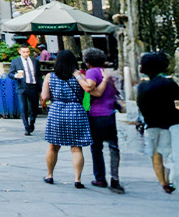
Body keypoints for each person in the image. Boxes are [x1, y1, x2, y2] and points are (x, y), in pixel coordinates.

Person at [41, 47, 93, 187]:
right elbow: (87, 91)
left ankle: (50, 175)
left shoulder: (49, 77)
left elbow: (45, 97)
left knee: (53, 146)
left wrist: (46, 101)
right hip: (76, 111)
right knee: (76, 148)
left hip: (57, 110)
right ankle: (77, 179)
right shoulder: (79, 76)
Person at [131, 50, 177, 194]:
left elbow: (140, 105)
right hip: (170, 124)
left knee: (155, 154)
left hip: (151, 125)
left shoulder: (142, 86)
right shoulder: (169, 84)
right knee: (169, 153)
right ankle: (170, 179)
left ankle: (163, 182)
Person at [82, 47, 123, 192]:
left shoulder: (91, 72)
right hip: (110, 114)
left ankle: (100, 178)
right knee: (113, 147)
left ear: (87, 62)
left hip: (96, 115)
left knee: (96, 148)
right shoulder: (107, 73)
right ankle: (115, 178)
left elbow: (91, 88)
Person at [10, 44, 44, 135]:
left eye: (27, 52)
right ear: (20, 52)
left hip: (33, 86)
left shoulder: (35, 61)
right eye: (24, 52)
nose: (26, 54)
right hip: (22, 87)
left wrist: (42, 88)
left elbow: (39, 75)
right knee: (23, 107)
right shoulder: (15, 61)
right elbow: (10, 73)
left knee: (34, 108)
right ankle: (26, 127)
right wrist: (15, 76)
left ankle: (32, 123)